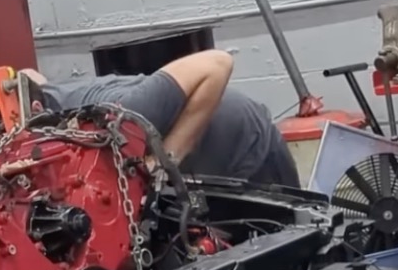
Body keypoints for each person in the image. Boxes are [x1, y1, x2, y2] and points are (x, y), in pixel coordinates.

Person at [21, 50, 301, 188]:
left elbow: (218, 63)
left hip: (251, 148)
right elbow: (31, 77)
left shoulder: (118, 110)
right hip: (208, 169)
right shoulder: (44, 104)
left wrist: (165, 161)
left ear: (36, 108)